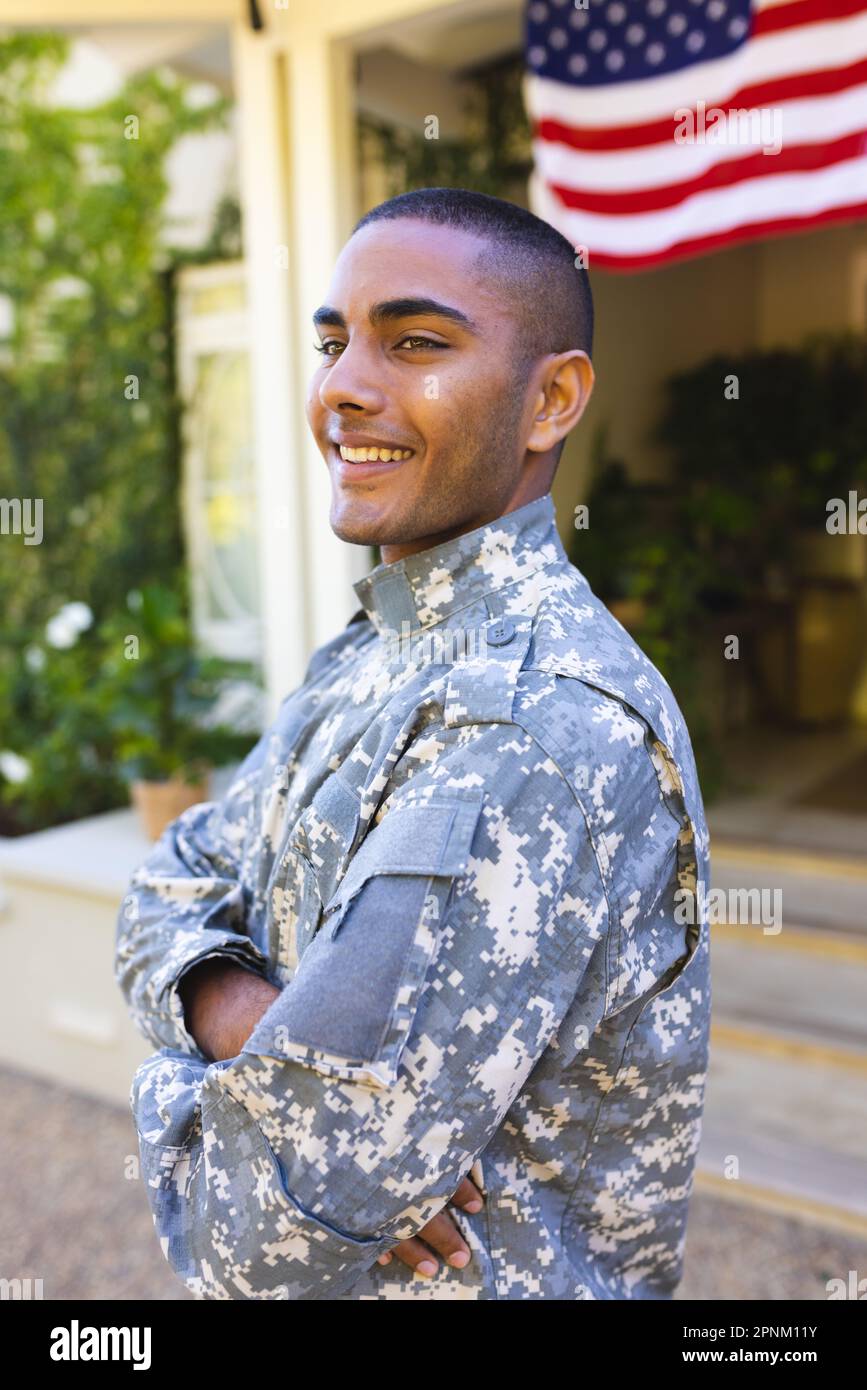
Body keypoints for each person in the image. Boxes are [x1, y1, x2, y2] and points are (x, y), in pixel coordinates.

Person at [115, 187, 711, 1301]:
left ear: (552, 401)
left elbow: (259, 1235)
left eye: (417, 341)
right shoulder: (373, 650)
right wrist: (240, 1017)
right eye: (335, 341)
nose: (342, 386)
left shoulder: (533, 724)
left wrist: (163, 1082)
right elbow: (170, 874)